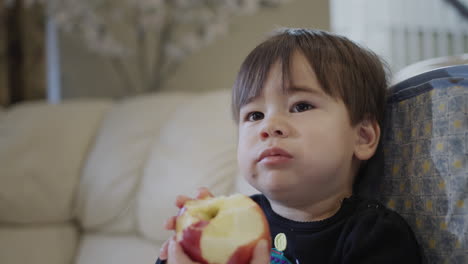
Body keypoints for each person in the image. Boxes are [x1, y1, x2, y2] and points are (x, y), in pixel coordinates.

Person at [156, 28, 422, 264]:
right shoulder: (234, 220)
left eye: (301, 106)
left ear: (362, 138)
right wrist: (182, 250)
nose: (268, 126)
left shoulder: (375, 235)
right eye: (254, 115)